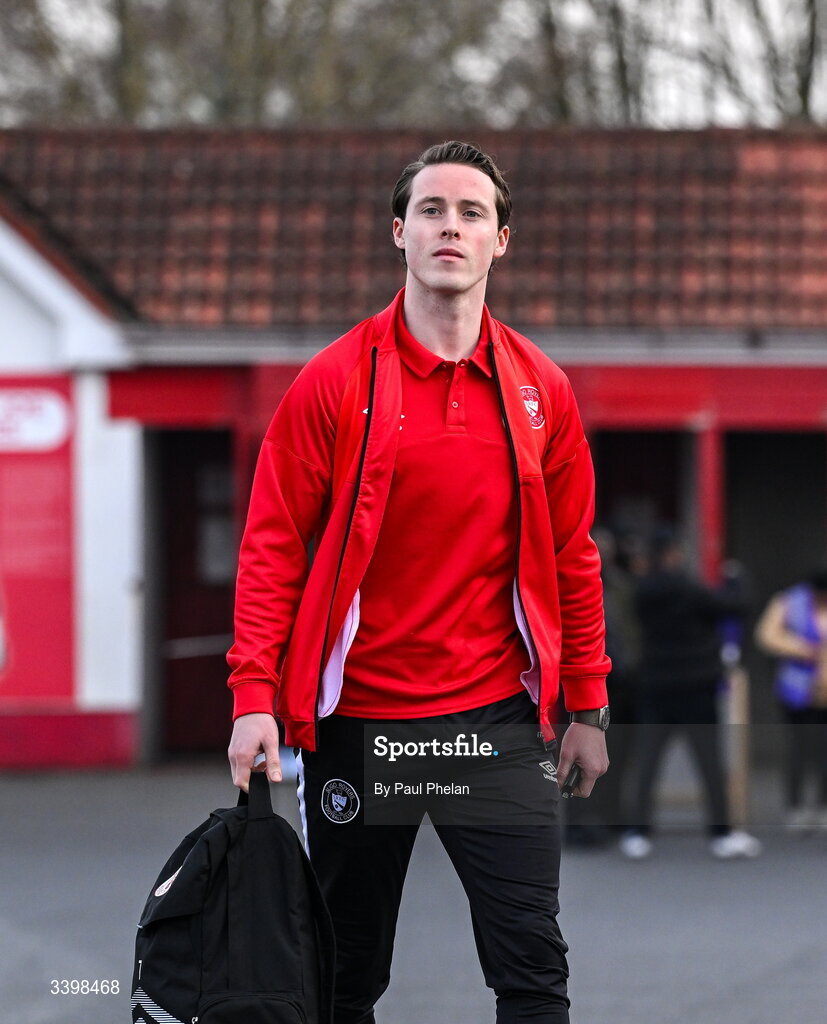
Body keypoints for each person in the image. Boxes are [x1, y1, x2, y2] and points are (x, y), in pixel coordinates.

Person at [225, 140, 611, 1024]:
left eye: (471, 213)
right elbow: (272, 548)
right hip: (360, 722)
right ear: (400, 233)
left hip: (493, 725)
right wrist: (254, 696)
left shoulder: (540, 390)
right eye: (432, 210)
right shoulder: (333, 382)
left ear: (499, 241)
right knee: (344, 974)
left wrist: (586, 706)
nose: (450, 226)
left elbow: (572, 555)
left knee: (532, 968)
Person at [619, 527, 762, 860]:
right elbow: (735, 605)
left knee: (647, 762)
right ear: (671, 553)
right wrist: (736, 579)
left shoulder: (641, 591)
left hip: (655, 685)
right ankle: (721, 833)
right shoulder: (688, 588)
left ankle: (637, 833)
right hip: (696, 686)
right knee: (710, 763)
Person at [754, 569, 827, 832]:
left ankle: (821, 806)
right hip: (797, 689)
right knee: (798, 748)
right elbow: (767, 635)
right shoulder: (788, 602)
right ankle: (795, 806)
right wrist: (801, 649)